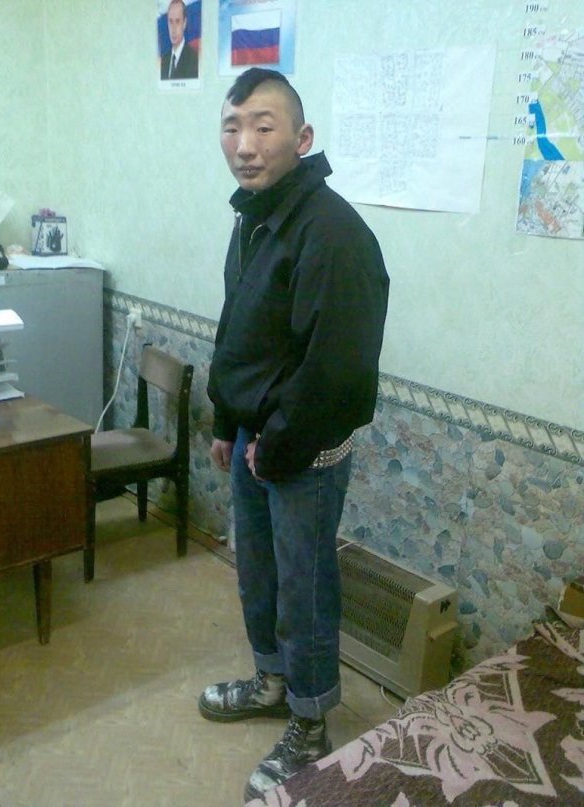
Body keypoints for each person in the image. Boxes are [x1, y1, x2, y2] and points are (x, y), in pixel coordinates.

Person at [200, 67, 389, 803]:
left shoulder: (334, 233)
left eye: (263, 126)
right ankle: (272, 680)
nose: (244, 145)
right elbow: (237, 330)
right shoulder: (255, 215)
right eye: (232, 126)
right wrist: (228, 421)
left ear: (302, 137)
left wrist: (274, 443)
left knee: (304, 584)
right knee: (258, 569)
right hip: (260, 433)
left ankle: (310, 722)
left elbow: (337, 370)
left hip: (303, 445)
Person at [160, 0, 198, 80]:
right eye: (171, 21)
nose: (173, 29)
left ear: (184, 23)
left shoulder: (194, 60)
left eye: (177, 21)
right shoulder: (164, 61)